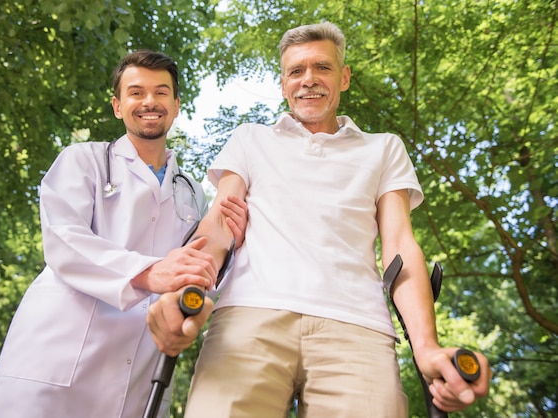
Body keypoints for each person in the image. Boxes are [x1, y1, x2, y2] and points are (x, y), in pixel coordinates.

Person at [147, 22, 491, 417]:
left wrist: (427, 347)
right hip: (250, 315)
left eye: (322, 68)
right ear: (283, 84)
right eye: (296, 71)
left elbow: (400, 247)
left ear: (343, 78)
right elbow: (219, 225)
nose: (308, 80)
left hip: (357, 327)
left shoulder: (384, 149)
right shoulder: (250, 139)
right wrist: (184, 291)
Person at [0, 49, 247, 418]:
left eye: (161, 92)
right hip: (54, 361)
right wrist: (150, 272)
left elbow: (196, 270)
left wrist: (231, 240)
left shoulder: (192, 192)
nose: (149, 101)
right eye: (136, 92)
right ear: (118, 106)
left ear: (177, 104)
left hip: (136, 375)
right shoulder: (83, 160)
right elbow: (63, 240)